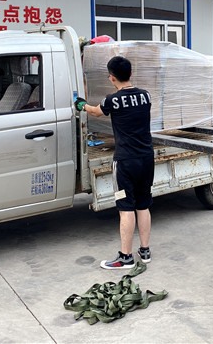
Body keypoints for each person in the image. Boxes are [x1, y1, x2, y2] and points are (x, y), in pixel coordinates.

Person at [75, 56, 155, 269]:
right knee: (143, 204)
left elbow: (95, 111)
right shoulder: (146, 96)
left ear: (111, 77)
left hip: (126, 162)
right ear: (131, 73)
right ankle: (145, 251)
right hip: (147, 158)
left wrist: (81, 105)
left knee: (126, 207)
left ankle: (125, 257)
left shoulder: (113, 100)